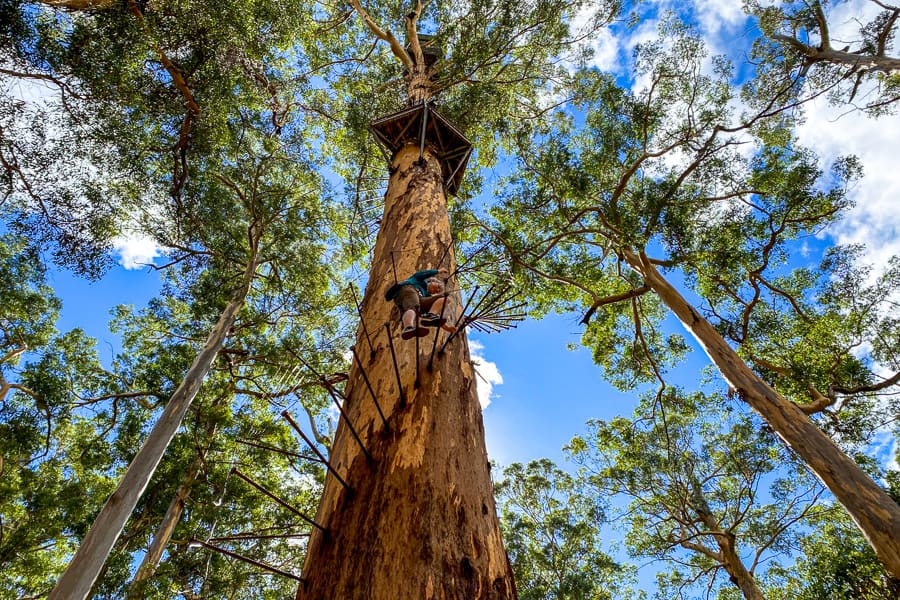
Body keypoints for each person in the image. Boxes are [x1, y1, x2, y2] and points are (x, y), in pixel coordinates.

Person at [385, 268, 457, 340]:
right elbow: (424, 273)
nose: (437, 290)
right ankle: (408, 327)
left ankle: (431, 315)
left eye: (438, 291)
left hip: (418, 300)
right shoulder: (418, 280)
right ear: (432, 281)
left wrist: (447, 328)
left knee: (445, 299)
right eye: (438, 286)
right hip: (407, 290)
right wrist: (438, 271)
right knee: (413, 307)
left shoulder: (426, 295)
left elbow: (438, 319)